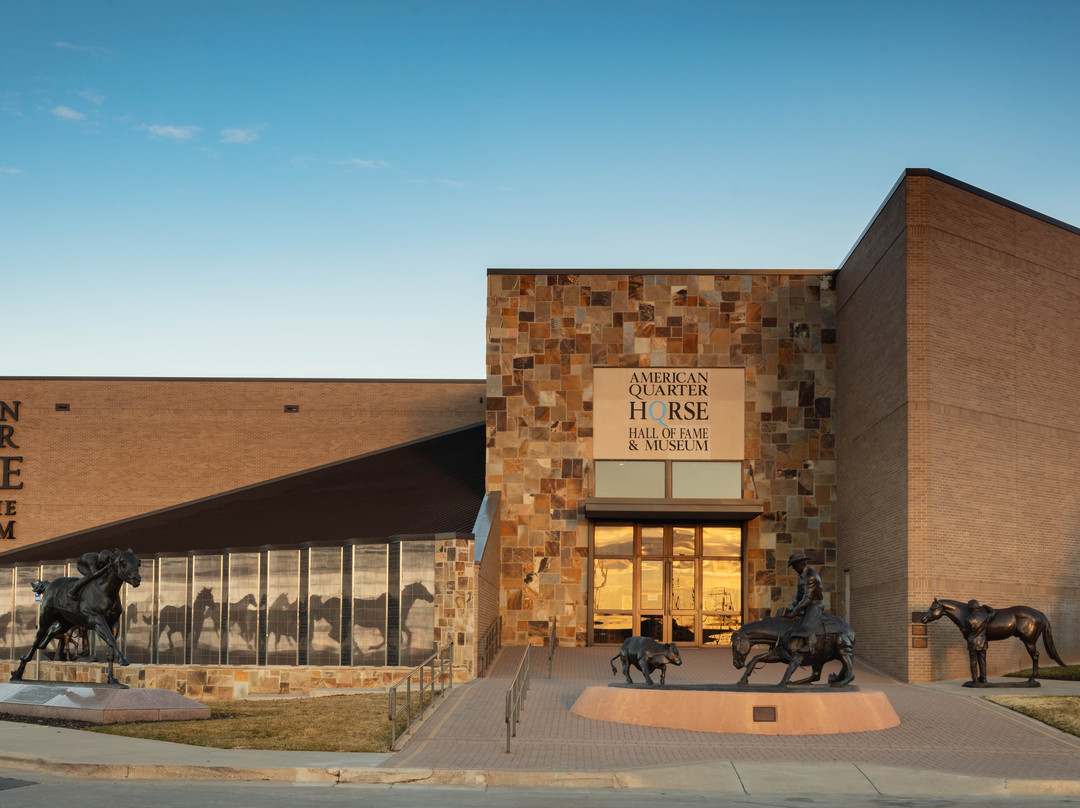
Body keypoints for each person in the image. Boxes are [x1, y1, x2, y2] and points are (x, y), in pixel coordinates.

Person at [782, 551, 826, 653]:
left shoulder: (811, 576)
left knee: (808, 622)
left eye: (793, 565)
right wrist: (794, 604)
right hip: (805, 603)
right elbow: (799, 592)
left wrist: (794, 612)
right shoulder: (801, 575)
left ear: (800, 564)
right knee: (785, 613)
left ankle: (811, 645)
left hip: (814, 604)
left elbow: (807, 598)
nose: (793, 568)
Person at [964, 599, 994, 683]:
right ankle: (983, 678)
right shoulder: (984, 616)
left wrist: (962, 629)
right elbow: (993, 612)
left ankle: (975, 679)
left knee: (973, 661)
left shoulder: (968, 619)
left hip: (973, 642)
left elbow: (967, 630)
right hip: (982, 642)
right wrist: (987, 607)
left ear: (970, 608)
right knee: (982, 660)